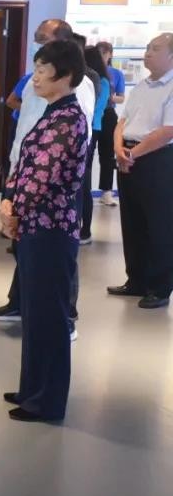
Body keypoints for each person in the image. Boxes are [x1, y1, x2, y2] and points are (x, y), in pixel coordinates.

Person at [0, 39, 89, 422]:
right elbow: (24, 165)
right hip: (34, 225)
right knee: (34, 313)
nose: (34, 77)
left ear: (65, 76)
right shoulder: (52, 113)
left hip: (51, 229)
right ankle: (31, 388)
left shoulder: (69, 119)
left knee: (49, 317)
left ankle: (47, 401)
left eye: (42, 70)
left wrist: (13, 210)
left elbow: (43, 176)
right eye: (35, 69)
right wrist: (8, 200)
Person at [0, 19, 94, 325]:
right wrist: (10, 194)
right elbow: (27, 130)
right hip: (25, 180)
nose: (36, 76)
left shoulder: (76, 99)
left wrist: (14, 208)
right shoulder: (37, 88)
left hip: (51, 204)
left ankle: (66, 316)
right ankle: (20, 303)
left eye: (42, 38)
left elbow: (57, 158)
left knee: (53, 277)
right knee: (28, 261)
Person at [107, 33, 173, 309]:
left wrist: (133, 154)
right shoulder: (142, 86)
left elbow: (167, 131)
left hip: (157, 159)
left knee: (159, 224)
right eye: (147, 47)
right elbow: (122, 121)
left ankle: (159, 287)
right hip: (129, 156)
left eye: (155, 49)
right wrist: (119, 148)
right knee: (132, 221)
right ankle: (136, 280)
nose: (147, 53)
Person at [80, 46, 111, 244]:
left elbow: (96, 109)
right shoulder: (86, 78)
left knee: (85, 178)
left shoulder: (100, 81)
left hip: (92, 129)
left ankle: (85, 230)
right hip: (86, 128)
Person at [96, 41, 126, 206]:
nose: (101, 56)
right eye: (99, 53)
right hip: (93, 113)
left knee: (107, 153)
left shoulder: (116, 73)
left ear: (110, 54)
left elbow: (121, 97)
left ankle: (106, 191)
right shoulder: (92, 72)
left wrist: (111, 97)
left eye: (104, 53)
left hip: (108, 114)